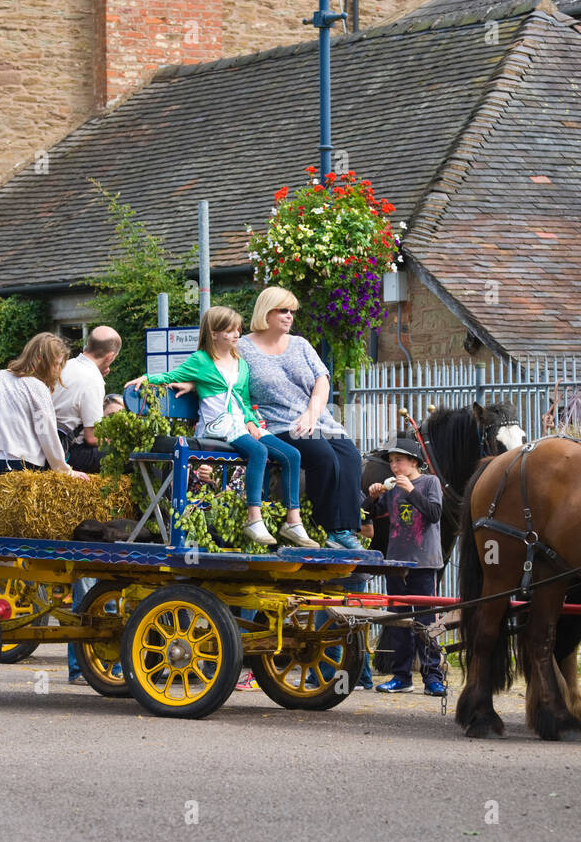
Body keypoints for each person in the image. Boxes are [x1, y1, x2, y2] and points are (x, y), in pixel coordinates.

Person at [125, 305, 318, 548]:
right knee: (258, 451)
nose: (236, 334)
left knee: (291, 454)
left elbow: (245, 401)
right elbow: (170, 375)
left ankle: (293, 520)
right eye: (229, 330)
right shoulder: (201, 360)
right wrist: (146, 378)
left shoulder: (241, 364)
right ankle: (253, 517)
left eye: (238, 329)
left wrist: (251, 421)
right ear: (214, 334)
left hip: (239, 422)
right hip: (218, 424)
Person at [238, 286, 364, 550]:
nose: (289, 316)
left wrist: (311, 413)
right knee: (323, 456)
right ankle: (327, 526)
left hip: (315, 419)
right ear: (265, 312)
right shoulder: (242, 348)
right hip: (277, 422)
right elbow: (220, 375)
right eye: (282, 310)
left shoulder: (300, 344)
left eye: (292, 311)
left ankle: (344, 530)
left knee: (350, 455)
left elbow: (322, 380)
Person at [364, 439, 446, 697]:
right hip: (396, 563)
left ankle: (433, 677)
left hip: (424, 563)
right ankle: (401, 677)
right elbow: (365, 518)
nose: (394, 465)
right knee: (399, 621)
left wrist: (411, 490)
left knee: (427, 622)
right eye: (390, 462)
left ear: (414, 461)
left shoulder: (429, 482)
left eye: (398, 460)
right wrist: (372, 497)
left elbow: (434, 513)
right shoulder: (391, 489)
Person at [0, 332, 88, 480]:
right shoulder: (37, 387)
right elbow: (45, 432)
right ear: (41, 360)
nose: (58, 370)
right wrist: (65, 471)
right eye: (57, 364)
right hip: (18, 466)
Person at [67, 392, 128, 684]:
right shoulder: (83, 448)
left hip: (113, 539)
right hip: (85, 535)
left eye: (122, 417)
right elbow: (83, 459)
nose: (117, 423)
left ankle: (115, 669)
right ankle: (78, 670)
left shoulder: (122, 454)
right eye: (111, 417)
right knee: (85, 597)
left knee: (114, 603)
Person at [53, 325, 122, 473]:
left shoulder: (66, 366)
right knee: (136, 458)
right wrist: (123, 441)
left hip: (49, 446)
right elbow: (92, 438)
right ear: (110, 356)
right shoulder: (93, 380)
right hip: (69, 452)